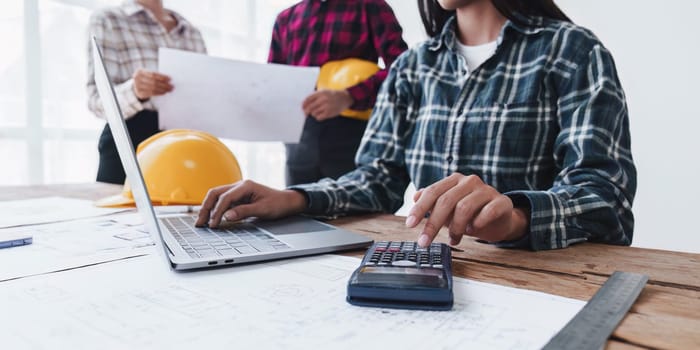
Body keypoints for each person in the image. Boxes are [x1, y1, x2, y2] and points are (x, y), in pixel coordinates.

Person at [196, 0, 637, 251]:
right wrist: (294, 198)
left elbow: (606, 198)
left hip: (539, 283)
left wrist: (517, 217)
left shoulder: (572, 50)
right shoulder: (410, 68)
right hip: (426, 266)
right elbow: (378, 180)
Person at [268, 0, 408, 185]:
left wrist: (349, 96)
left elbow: (403, 68)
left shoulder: (370, 6)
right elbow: (273, 80)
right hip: (299, 140)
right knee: (295, 208)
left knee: (356, 209)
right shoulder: (285, 19)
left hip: (351, 136)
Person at [87, 0, 206, 184]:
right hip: (129, 142)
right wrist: (134, 91)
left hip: (185, 145)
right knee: (122, 212)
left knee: (190, 210)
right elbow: (97, 102)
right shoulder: (108, 20)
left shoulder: (191, 33)